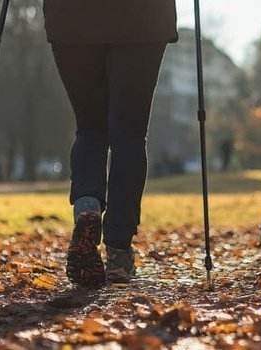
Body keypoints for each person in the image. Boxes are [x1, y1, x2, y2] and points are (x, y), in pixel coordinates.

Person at [44, 0, 176, 286]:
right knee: (128, 133)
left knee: (90, 127)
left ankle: (87, 206)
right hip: (143, 18)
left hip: (72, 18)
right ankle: (118, 253)